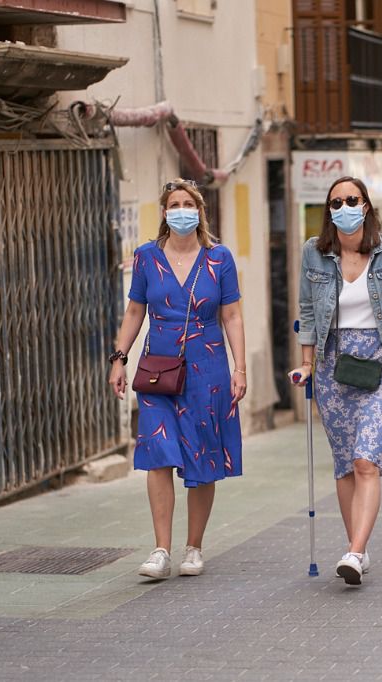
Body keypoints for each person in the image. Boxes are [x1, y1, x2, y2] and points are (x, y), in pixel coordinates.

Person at [109, 178, 246, 579]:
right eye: (174, 204)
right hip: (159, 368)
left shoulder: (218, 259)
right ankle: (160, 550)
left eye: (188, 203)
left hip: (209, 369)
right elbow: (135, 311)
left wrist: (240, 368)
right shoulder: (147, 257)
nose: (181, 210)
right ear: (164, 212)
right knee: (159, 453)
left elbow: (232, 316)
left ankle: (194, 547)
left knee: (201, 457)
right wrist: (119, 359)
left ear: (199, 211)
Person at [289, 176, 382, 586]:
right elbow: (308, 312)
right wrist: (306, 364)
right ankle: (356, 549)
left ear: (366, 205)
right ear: (328, 210)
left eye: (352, 199)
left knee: (367, 459)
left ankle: (356, 550)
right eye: (336, 202)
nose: (344, 206)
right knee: (346, 464)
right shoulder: (315, 252)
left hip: (381, 362)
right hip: (333, 365)